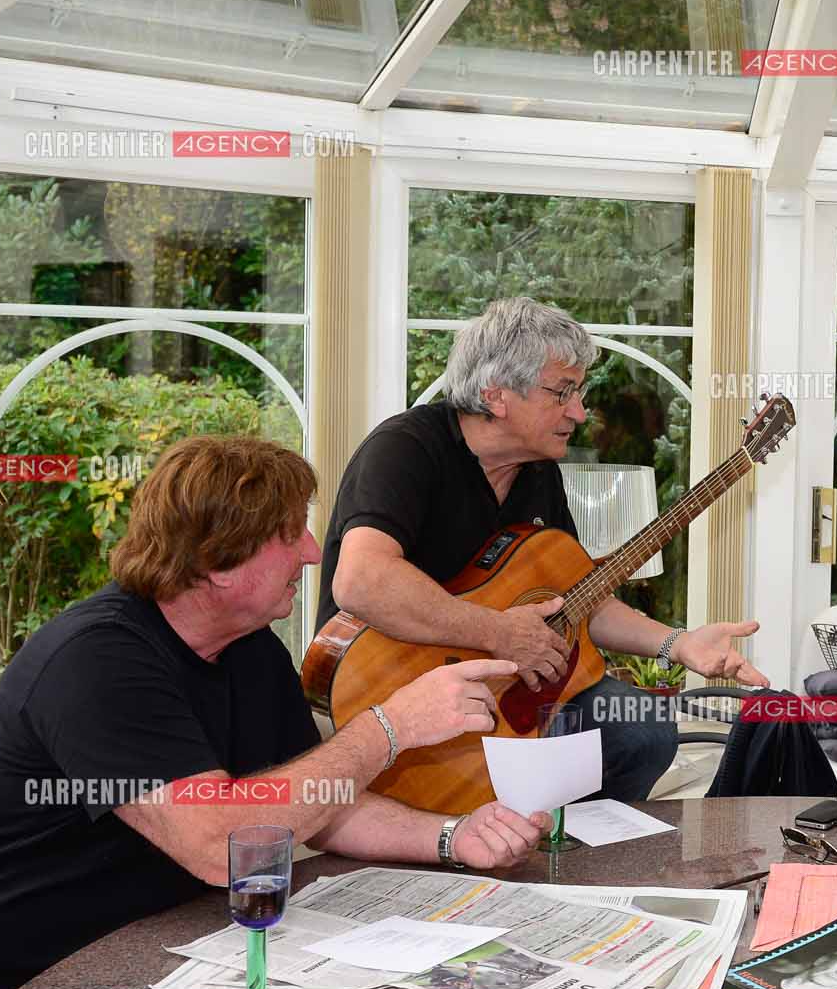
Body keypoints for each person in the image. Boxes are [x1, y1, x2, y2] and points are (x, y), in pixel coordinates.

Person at [0, 436, 547, 989]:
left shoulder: (249, 648)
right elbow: (221, 845)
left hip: (145, 961)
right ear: (219, 561)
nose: (313, 552)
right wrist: (390, 726)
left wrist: (453, 836)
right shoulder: (94, 662)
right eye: (293, 533)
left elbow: (311, 801)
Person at [321, 296, 767, 800]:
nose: (578, 412)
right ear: (496, 395)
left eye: (578, 392)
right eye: (561, 393)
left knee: (641, 731)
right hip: (392, 685)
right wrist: (498, 631)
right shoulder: (407, 448)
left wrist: (680, 644)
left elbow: (579, 600)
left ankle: (568, 858)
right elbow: (360, 580)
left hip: (512, 688)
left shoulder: (538, 474)